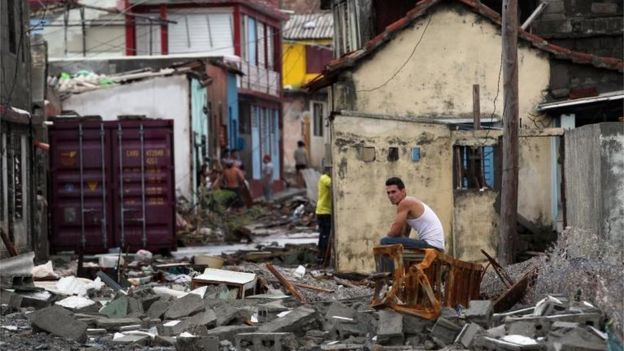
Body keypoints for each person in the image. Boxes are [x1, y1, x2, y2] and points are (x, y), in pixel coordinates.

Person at [380, 177, 445, 252]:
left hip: (431, 245)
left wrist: (389, 236)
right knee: (396, 245)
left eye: (393, 192)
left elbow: (394, 233)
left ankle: (389, 264)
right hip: (436, 246)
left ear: (403, 191)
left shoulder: (405, 203)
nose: (390, 195)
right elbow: (404, 235)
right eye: (388, 193)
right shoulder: (408, 206)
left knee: (385, 241)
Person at [316, 165, 332, 263]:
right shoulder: (324, 178)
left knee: (324, 234)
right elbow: (334, 184)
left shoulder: (325, 178)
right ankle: (322, 255)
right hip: (323, 211)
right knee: (325, 234)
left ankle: (322, 254)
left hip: (324, 210)